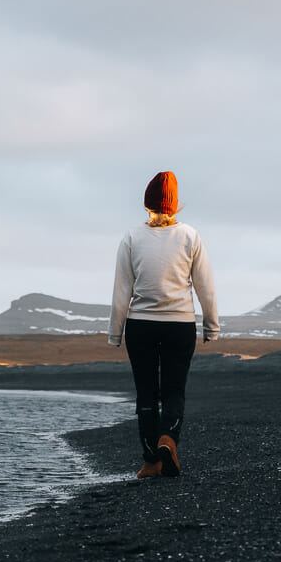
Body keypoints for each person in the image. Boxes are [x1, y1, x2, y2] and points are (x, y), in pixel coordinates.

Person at [108, 171, 219, 478]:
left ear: (147, 205)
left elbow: (122, 290)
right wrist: (211, 325)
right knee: (174, 390)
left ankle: (150, 461)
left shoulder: (131, 237)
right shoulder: (190, 236)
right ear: (174, 206)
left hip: (140, 325)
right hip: (179, 325)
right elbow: (205, 286)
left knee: (146, 394)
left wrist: (115, 332)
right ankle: (168, 439)